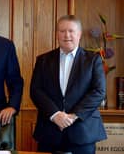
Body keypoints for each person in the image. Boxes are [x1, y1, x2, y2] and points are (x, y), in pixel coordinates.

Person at [30, 15, 107, 154]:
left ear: (79, 34)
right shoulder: (43, 60)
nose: (67, 35)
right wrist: (55, 114)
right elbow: (36, 91)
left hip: (82, 131)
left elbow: (98, 91)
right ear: (57, 34)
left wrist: (73, 116)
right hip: (50, 131)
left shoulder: (93, 60)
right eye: (62, 31)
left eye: (71, 31)